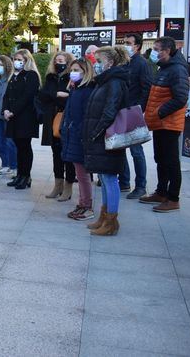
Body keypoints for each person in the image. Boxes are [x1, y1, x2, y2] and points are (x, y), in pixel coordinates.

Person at [83, 46, 129, 235]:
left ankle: (111, 221)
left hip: (107, 136)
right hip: (101, 135)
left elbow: (110, 111)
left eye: (99, 61)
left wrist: (97, 131)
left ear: (110, 63)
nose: (96, 64)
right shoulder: (105, 81)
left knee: (110, 178)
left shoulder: (115, 82)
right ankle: (104, 217)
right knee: (104, 176)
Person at [141, 36, 189, 213]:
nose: (153, 52)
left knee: (171, 161)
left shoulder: (177, 70)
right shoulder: (164, 68)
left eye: (156, 49)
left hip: (169, 123)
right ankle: (161, 192)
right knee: (160, 158)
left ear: (167, 51)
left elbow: (180, 98)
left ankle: (173, 198)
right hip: (160, 122)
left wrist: (159, 112)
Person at [60, 59, 97, 221]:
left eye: (77, 70)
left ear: (86, 71)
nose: (73, 72)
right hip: (72, 134)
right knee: (80, 173)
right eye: (72, 69)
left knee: (83, 174)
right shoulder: (76, 89)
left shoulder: (87, 90)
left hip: (80, 136)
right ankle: (83, 203)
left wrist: (77, 130)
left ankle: (87, 206)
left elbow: (86, 116)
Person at [38, 51, 76, 201]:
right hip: (52, 118)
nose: (58, 63)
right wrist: (57, 94)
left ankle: (68, 187)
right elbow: (42, 95)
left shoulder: (71, 77)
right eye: (56, 60)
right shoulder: (50, 77)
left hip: (66, 119)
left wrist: (56, 96)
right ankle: (57, 184)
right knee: (56, 154)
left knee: (68, 155)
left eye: (61, 60)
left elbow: (70, 97)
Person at [118, 33, 153, 198]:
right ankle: (124, 182)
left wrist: (139, 108)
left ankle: (140, 186)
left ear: (137, 46)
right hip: (121, 110)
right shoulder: (124, 62)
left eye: (129, 43)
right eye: (125, 42)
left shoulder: (141, 63)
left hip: (133, 111)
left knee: (136, 151)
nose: (126, 45)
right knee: (120, 148)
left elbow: (146, 87)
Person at [2, 49, 40, 190]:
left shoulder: (31, 76)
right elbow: (7, 95)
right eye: (15, 59)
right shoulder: (14, 76)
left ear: (26, 60)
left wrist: (12, 111)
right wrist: (5, 109)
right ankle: (19, 175)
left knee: (25, 147)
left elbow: (27, 97)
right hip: (13, 117)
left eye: (19, 59)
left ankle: (26, 176)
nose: (16, 62)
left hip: (25, 117)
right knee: (18, 147)